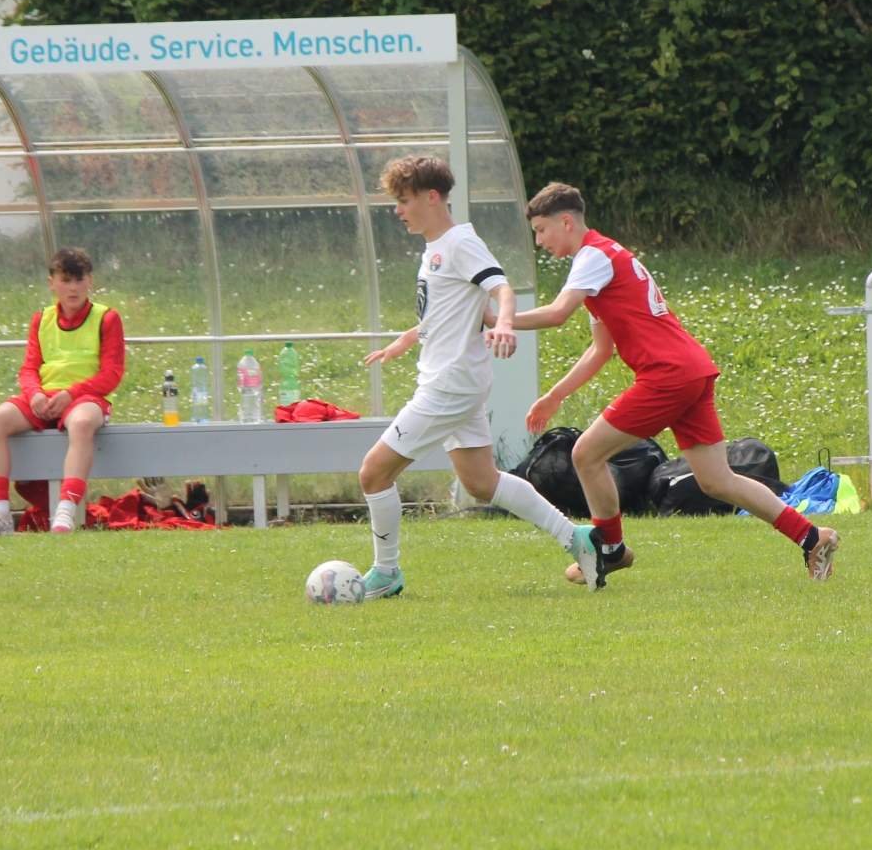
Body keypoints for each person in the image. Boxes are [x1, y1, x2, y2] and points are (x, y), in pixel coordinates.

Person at [510, 182, 839, 586]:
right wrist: (554, 396)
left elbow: (558, 313)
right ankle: (812, 537)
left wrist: (498, 319)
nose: (539, 241)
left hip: (668, 374)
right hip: (690, 370)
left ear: (565, 222)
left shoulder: (592, 256)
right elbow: (600, 349)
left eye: (541, 230)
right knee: (717, 480)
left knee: (585, 454)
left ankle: (609, 550)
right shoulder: (603, 258)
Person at [355, 155, 600, 598]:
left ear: (432, 197)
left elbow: (501, 288)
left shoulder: (460, 243)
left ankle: (386, 572)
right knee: (482, 482)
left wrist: (504, 324)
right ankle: (577, 539)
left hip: (449, 385)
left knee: (373, 473)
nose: (398, 210)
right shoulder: (435, 249)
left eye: (404, 200)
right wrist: (408, 339)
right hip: (456, 381)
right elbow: (448, 311)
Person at [0, 247, 123, 536]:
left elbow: (112, 373)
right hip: (45, 398)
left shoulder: (107, 318)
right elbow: (29, 368)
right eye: (65, 280)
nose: (73, 288)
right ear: (52, 283)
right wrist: (35, 393)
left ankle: (65, 512)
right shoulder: (41, 319)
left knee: (82, 423)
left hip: (87, 398)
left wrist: (72, 393)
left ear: (90, 281)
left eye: (79, 280)